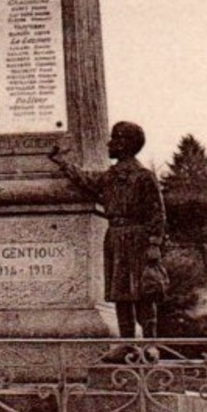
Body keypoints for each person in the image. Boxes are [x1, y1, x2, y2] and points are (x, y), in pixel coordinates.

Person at [50, 122, 168, 340]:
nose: (109, 144)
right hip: (114, 237)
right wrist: (62, 162)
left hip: (138, 238)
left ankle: (150, 346)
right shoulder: (110, 176)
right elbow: (86, 180)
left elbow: (157, 213)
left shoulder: (144, 176)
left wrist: (154, 244)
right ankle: (127, 344)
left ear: (124, 144)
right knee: (120, 295)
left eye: (114, 139)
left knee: (144, 294)